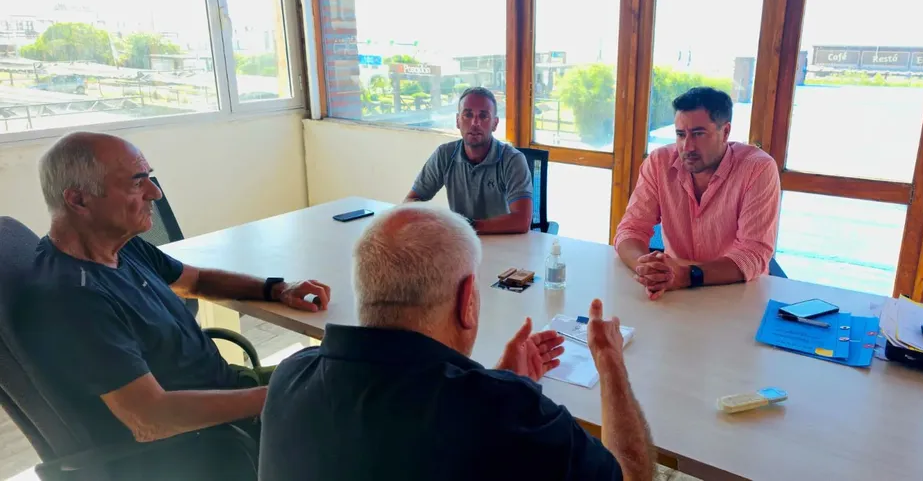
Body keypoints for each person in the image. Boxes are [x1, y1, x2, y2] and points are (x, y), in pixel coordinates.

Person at [260, 205, 654, 481]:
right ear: (468, 300)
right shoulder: (512, 416)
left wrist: (494, 382)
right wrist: (609, 361)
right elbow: (632, 475)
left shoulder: (292, 376)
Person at [15, 131, 331, 450]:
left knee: (349, 370)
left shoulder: (120, 246)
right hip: (211, 440)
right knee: (358, 408)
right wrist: (279, 398)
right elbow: (151, 418)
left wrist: (276, 289)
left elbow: (196, 281)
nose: (155, 193)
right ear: (79, 199)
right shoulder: (73, 299)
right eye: (138, 183)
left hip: (229, 390)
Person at [615, 87, 780, 298]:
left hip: (737, 292)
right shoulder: (659, 163)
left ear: (726, 132)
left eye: (699, 134)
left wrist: (687, 275)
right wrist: (645, 268)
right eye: (680, 134)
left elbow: (753, 253)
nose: (687, 146)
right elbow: (631, 229)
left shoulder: (757, 168)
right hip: (674, 286)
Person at [405, 86, 533, 234]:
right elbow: (410, 203)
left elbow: (522, 221)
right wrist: (436, 221)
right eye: (468, 114)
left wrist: (466, 227)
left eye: (483, 116)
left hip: (505, 244)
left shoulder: (512, 160)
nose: (475, 123)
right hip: (461, 244)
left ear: (495, 124)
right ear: (458, 120)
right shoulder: (444, 154)